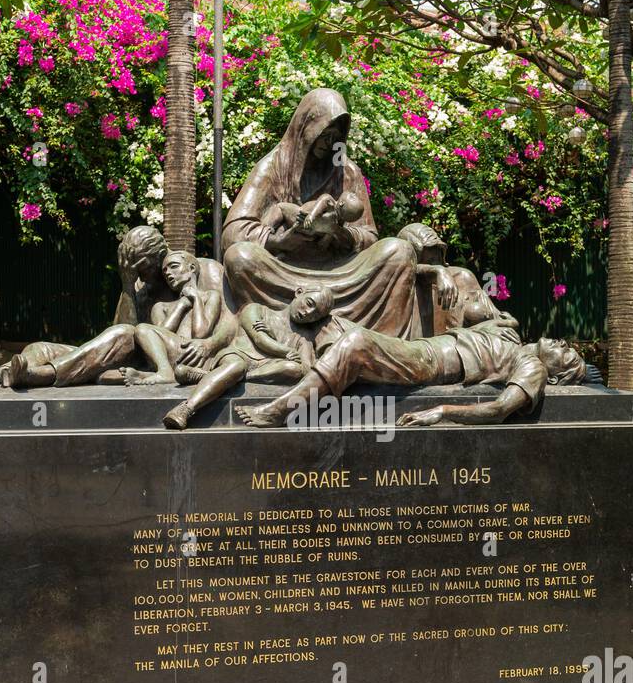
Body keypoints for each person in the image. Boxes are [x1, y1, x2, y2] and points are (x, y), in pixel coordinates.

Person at [220, 88, 429, 338]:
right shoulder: (271, 167)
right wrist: (279, 241)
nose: (328, 143)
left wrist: (339, 234)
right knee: (239, 257)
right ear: (304, 128)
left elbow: (370, 236)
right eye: (323, 134)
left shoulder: (347, 171)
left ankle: (376, 345)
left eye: (335, 137)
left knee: (399, 251)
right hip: (284, 270)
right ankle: (282, 327)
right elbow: (233, 233)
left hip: (340, 272)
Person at [0, 227, 226, 389]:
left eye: (142, 269)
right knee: (41, 348)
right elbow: (118, 329)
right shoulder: (139, 289)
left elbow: (226, 322)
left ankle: (43, 376)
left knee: (123, 334)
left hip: (165, 360)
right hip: (122, 357)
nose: (140, 276)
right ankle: (1, 373)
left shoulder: (194, 272)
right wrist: (127, 286)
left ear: (157, 259)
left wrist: (211, 346)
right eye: (132, 271)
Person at [234, 301, 590, 428]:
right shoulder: (511, 333)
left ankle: (282, 409)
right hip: (417, 348)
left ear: (557, 377)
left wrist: (443, 411)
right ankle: (274, 366)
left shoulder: (533, 368)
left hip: (429, 363)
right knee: (333, 325)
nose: (563, 344)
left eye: (568, 355)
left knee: (355, 343)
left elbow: (500, 410)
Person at [161, 286, 340, 430]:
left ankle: (216, 377)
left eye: (316, 314)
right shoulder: (257, 309)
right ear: (299, 292)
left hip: (264, 369)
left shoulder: (303, 339)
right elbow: (258, 338)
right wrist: (284, 351)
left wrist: (301, 359)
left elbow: (306, 370)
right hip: (239, 355)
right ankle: (186, 408)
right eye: (309, 303)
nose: (308, 312)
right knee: (237, 366)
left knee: (292, 369)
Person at [125, 251, 239, 386]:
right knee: (143, 329)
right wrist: (182, 305)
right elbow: (158, 336)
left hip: (195, 354)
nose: (167, 273)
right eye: (165, 271)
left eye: (173, 266)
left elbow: (201, 333)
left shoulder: (211, 296)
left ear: (191, 268)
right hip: (171, 354)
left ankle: (171, 373)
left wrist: (196, 298)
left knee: (143, 329)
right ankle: (165, 371)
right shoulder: (161, 307)